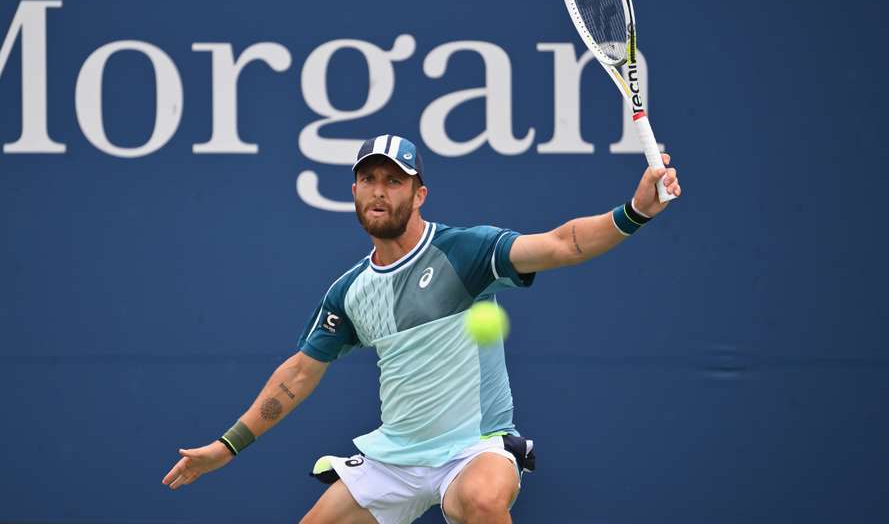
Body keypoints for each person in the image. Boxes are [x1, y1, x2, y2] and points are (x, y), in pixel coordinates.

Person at [162, 134, 681, 524]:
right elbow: (298, 374)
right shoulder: (350, 291)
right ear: (354, 191)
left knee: (481, 500)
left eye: (394, 181)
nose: (379, 191)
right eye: (369, 180)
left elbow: (563, 243)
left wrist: (634, 212)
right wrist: (226, 446)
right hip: (395, 457)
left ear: (420, 193)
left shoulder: (466, 251)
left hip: (475, 447)